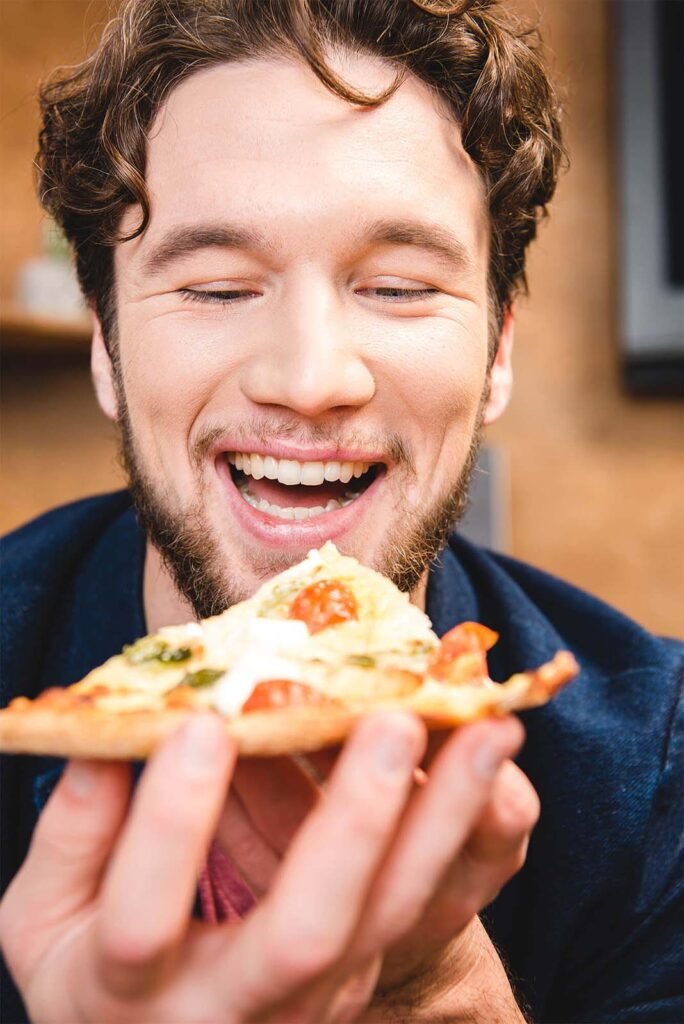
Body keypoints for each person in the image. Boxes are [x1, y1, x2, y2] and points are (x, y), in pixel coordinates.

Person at [1, 0, 681, 1021]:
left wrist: (434, 986)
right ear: (106, 346)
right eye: (218, 289)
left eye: (400, 286)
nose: (310, 377)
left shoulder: (661, 767)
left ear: (496, 354)